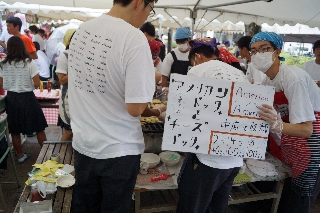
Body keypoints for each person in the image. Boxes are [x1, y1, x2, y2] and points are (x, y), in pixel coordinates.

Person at [68, 0, 159, 212]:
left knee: (86, 206)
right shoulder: (134, 38)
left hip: (83, 145)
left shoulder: (83, 30)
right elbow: (136, 108)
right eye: (150, 8)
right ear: (138, 3)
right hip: (118, 152)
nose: (148, 15)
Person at [176, 38, 248, 213]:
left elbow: (185, 112)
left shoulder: (198, 71)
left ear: (197, 56)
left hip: (207, 159)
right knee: (218, 206)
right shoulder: (239, 73)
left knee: (192, 206)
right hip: (235, 157)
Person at [250, 32, 320, 213]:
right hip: (292, 135)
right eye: (253, 51)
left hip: (313, 138)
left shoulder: (292, 77)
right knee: (288, 189)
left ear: (277, 50)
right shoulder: (267, 81)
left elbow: (306, 129)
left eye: (264, 49)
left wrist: (278, 126)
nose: (258, 55)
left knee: (301, 196)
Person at [0, 36, 48, 164]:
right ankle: (46, 155)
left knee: (15, 130)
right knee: (39, 127)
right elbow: (37, 83)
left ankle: (20, 155)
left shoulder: (3, 63)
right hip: (27, 98)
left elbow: (0, 83)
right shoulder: (29, 62)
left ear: (9, 48)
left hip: (11, 99)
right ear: (23, 47)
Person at [55, 32, 75, 142]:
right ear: (69, 42)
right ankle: (61, 156)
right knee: (69, 132)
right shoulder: (65, 55)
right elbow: (62, 80)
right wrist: (77, 70)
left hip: (82, 100)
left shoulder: (86, 56)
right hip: (68, 100)